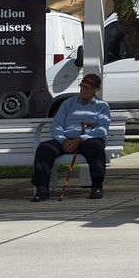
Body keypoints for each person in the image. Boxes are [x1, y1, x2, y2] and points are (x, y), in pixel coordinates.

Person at [30, 73, 112, 201]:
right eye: (82, 86)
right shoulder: (68, 103)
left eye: (87, 88)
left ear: (96, 90)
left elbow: (101, 129)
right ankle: (42, 189)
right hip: (66, 139)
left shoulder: (102, 106)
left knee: (96, 147)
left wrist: (80, 139)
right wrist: (63, 140)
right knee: (44, 148)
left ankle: (96, 186)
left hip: (87, 139)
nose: (83, 90)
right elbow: (57, 125)